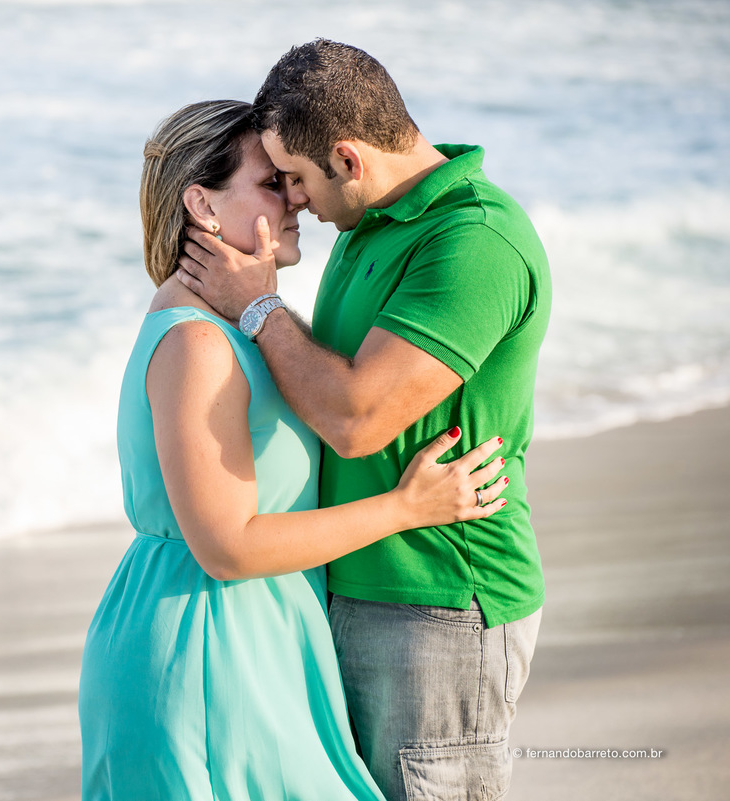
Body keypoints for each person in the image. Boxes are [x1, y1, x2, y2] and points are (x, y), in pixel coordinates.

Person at [78, 99, 510, 800]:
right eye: (270, 184)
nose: (297, 202)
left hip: (254, 635)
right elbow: (228, 546)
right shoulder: (196, 341)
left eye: (292, 180)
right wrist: (405, 507)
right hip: (206, 645)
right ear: (202, 204)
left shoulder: (240, 327)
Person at [176, 41, 551, 801]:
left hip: (440, 599)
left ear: (347, 159)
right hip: (351, 588)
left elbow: (354, 418)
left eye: (297, 178)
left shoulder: (475, 241)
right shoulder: (364, 229)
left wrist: (257, 303)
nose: (292, 198)